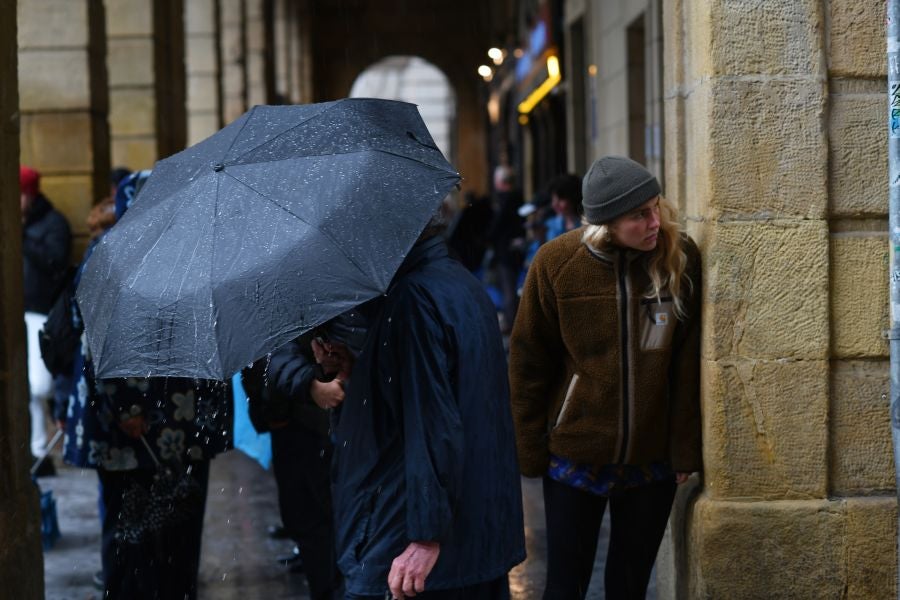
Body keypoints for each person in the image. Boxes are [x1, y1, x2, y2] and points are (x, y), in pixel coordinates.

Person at [508, 156, 702, 600]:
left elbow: (686, 362)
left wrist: (683, 448)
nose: (655, 222)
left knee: (629, 586)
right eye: (639, 215)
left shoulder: (679, 258)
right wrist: (530, 453)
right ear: (607, 222)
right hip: (575, 455)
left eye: (656, 207)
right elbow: (527, 363)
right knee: (565, 585)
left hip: (651, 459)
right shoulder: (556, 263)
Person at [314, 219, 526, 599]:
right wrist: (357, 371)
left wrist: (425, 538)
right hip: (472, 533)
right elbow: (435, 392)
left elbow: (433, 420)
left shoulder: (414, 298)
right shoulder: (458, 280)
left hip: (410, 541)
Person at [241, 313, 366, 600]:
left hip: (311, 420)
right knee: (312, 518)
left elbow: (275, 350)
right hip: (299, 416)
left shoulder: (288, 292)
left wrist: (309, 385)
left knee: (318, 518)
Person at [20, 165, 71, 472]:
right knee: (25, 387)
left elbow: (56, 263)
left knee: (39, 386)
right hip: (17, 316)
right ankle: (39, 450)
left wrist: (23, 239)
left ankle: (57, 413)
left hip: (42, 313)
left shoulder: (53, 223)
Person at [485, 165, 525, 332]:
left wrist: (486, 237)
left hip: (505, 252)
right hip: (513, 250)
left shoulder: (505, 200)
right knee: (511, 287)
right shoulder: (517, 198)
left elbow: (498, 225)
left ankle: (513, 325)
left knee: (508, 289)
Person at [545, 173, 583, 242]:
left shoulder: (586, 223)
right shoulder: (552, 226)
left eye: (560, 199)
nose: (554, 204)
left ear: (573, 198)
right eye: (553, 200)